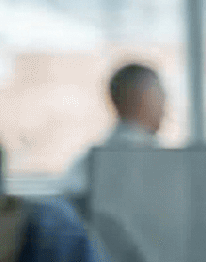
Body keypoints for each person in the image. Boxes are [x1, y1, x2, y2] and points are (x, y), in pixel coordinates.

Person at [66, 62, 166, 205]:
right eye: (160, 94)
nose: (165, 105)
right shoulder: (157, 162)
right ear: (145, 98)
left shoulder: (87, 162)